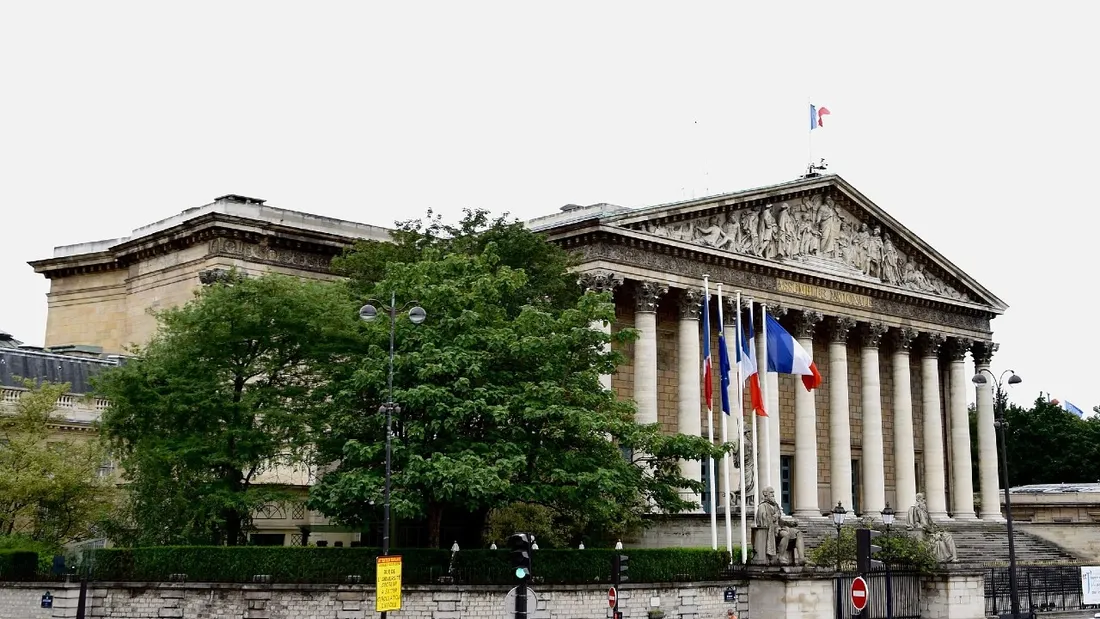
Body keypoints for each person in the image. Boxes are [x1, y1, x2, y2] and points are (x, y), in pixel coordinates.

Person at [757, 486, 805, 565]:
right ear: (765, 494)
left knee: (798, 533)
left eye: (773, 493)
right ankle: (781, 556)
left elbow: (780, 521)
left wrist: (790, 524)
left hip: (780, 528)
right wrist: (774, 519)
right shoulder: (762, 506)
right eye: (771, 492)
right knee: (785, 534)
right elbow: (762, 521)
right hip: (771, 531)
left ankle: (801, 558)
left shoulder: (775, 506)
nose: (773, 494)